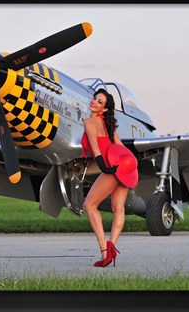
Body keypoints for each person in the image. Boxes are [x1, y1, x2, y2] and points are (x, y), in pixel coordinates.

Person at [81, 89, 128, 267]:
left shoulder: (89, 122)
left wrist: (107, 169)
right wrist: (129, 168)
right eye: (95, 98)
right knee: (118, 209)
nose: (94, 102)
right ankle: (112, 248)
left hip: (111, 168)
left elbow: (96, 148)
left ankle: (104, 251)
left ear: (104, 109)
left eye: (100, 102)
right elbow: (122, 148)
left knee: (89, 205)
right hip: (122, 167)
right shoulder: (108, 126)